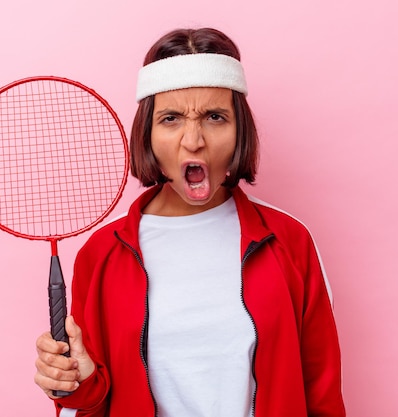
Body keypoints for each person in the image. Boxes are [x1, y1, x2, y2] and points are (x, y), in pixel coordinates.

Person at [34, 27, 345, 417]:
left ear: (239, 130)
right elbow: (93, 404)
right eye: (171, 118)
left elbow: (322, 394)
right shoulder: (102, 254)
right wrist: (77, 384)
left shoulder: (289, 242)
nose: (194, 140)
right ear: (147, 132)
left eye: (215, 117)